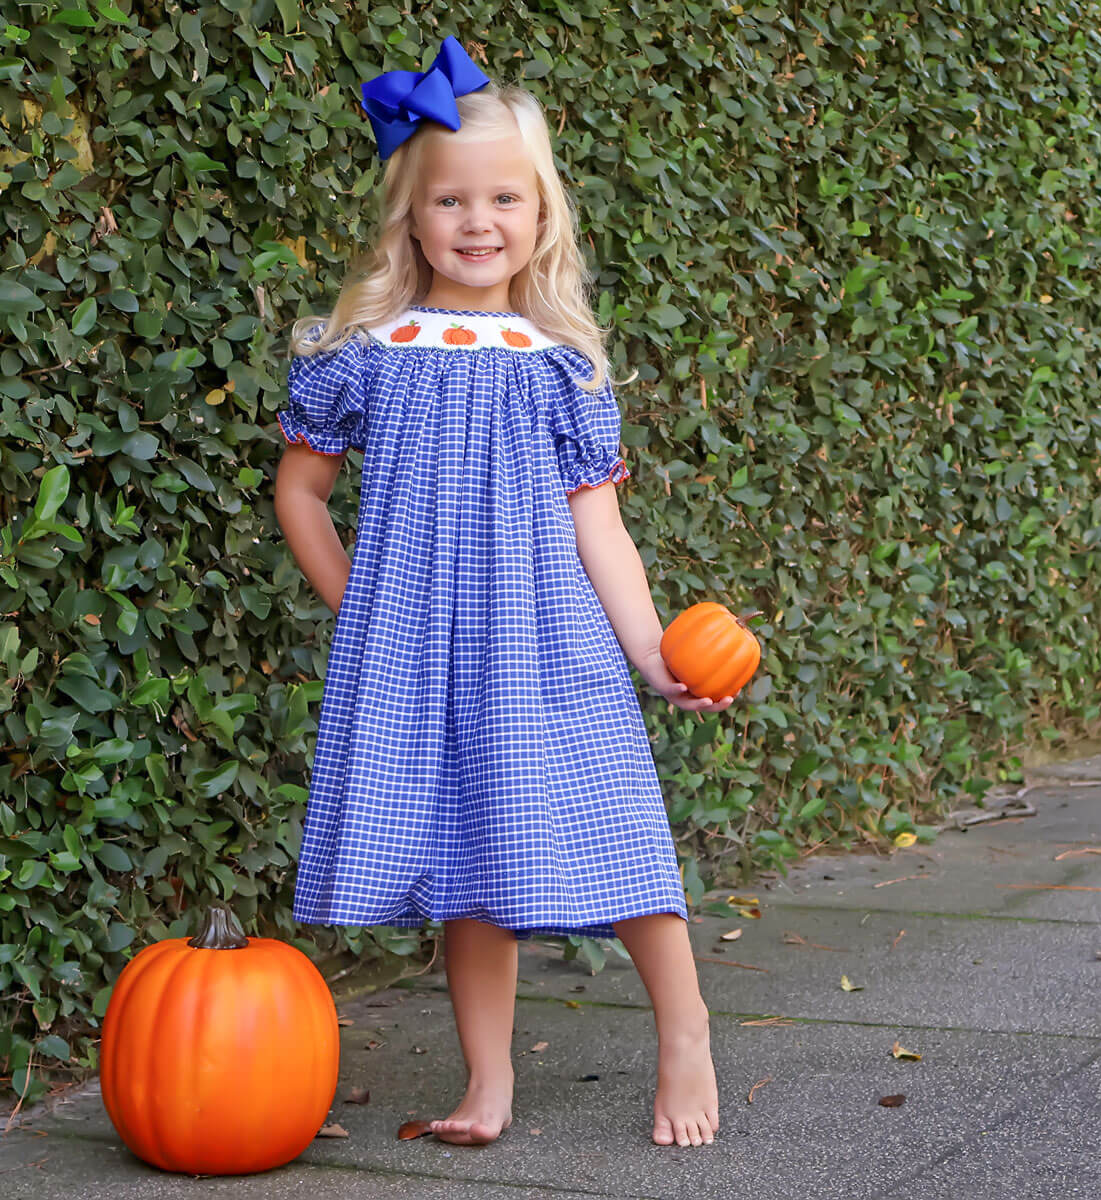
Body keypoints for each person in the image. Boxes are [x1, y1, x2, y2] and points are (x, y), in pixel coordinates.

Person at [273, 34, 733, 1150]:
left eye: (505, 199)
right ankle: (488, 1086)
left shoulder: (561, 360)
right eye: (452, 201)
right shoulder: (366, 350)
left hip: (552, 640)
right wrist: (364, 607)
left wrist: (651, 655)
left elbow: (601, 529)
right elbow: (301, 494)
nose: (479, 222)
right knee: (468, 856)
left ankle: (685, 1032)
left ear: (542, 214)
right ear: (411, 216)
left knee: (617, 828)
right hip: (420, 654)